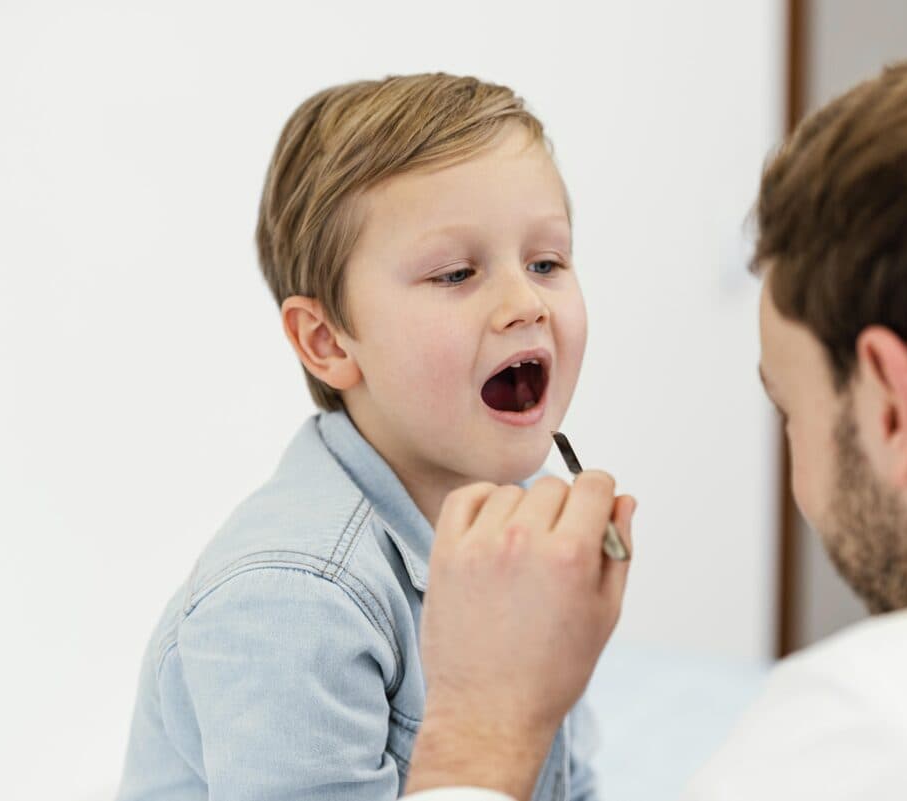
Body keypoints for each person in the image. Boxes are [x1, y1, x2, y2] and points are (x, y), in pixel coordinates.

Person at [402, 42, 907, 801]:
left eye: (789, 409)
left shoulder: (882, 731)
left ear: (891, 403)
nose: (523, 305)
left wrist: (477, 736)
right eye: (456, 273)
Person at [115, 74, 635, 801]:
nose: (526, 304)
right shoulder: (291, 599)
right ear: (327, 340)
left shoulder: (517, 540)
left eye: (546, 262)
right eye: (457, 272)